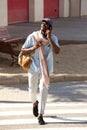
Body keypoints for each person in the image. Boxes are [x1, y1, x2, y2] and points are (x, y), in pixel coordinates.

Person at [21, 18, 60, 125]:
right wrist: (34, 47)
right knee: (32, 90)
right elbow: (23, 51)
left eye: (46, 25)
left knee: (43, 89)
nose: (43, 26)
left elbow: (57, 51)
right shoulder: (33, 36)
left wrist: (49, 38)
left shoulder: (53, 38)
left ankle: (41, 115)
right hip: (33, 66)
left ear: (50, 28)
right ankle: (34, 103)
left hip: (45, 68)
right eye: (42, 24)